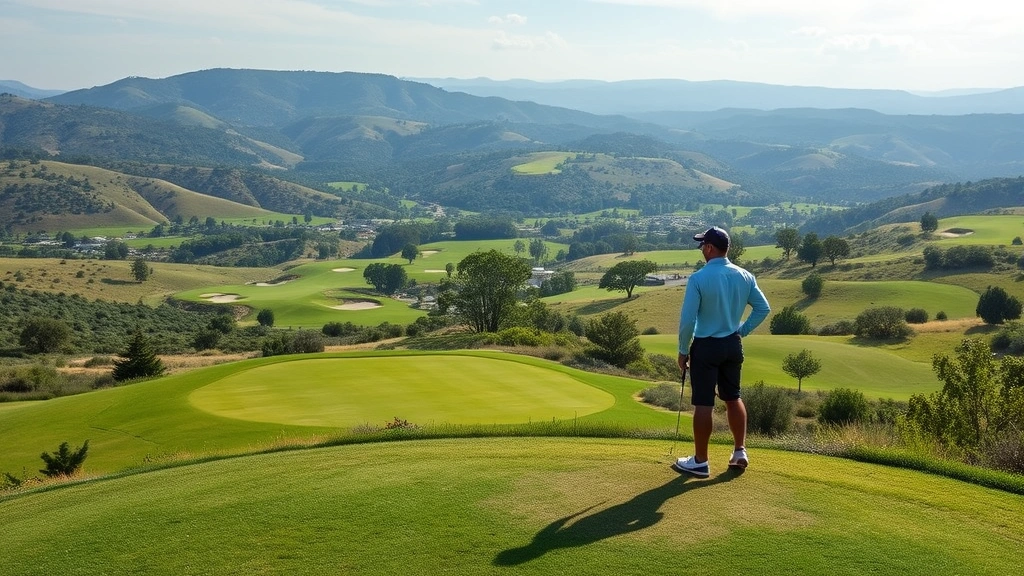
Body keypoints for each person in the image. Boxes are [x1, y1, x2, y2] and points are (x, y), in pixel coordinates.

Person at [673, 226, 770, 477]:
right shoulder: (745, 276)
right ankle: (739, 452)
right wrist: (741, 331)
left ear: (709, 248)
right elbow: (763, 308)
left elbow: (687, 321)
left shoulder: (698, 279)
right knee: (733, 397)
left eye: (702, 246)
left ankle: (700, 461)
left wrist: (683, 351)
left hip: (706, 346)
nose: (701, 250)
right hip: (732, 345)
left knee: (703, 403)